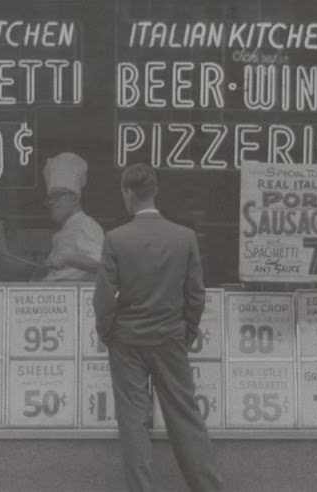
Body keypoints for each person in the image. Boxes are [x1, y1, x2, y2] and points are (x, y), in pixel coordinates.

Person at [93, 163, 222, 492]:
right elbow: (195, 294)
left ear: (127, 193)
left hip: (127, 341)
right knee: (185, 418)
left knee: (133, 422)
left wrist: (110, 334)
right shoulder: (185, 237)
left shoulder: (116, 239)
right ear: (155, 192)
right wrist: (185, 332)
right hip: (169, 338)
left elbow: (104, 300)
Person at [41, 152, 104, 282]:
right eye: (50, 198)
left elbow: (102, 263)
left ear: (75, 199)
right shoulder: (66, 228)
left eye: (58, 196)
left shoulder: (86, 225)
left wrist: (66, 259)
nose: (52, 203)